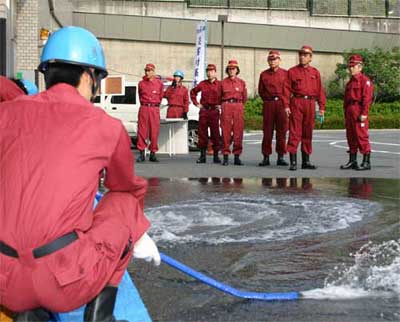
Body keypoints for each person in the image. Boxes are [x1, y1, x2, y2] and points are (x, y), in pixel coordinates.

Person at [0, 26, 160, 322]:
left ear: (46, 74)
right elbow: (126, 189)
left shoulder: (6, 113)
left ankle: (28, 312)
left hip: (4, 284)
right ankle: (101, 315)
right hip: (62, 283)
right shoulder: (105, 126)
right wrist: (136, 235)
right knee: (124, 203)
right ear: (89, 75)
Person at [286, 45, 326, 171]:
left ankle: (306, 161)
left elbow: (320, 91)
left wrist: (321, 107)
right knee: (295, 132)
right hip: (297, 102)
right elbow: (286, 90)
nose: (302, 57)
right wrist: (286, 105)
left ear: (310, 58)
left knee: (308, 133)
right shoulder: (292, 71)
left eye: (305, 55)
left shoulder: (315, 72)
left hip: (310, 103)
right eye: (301, 55)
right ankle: (293, 162)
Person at [340, 54, 374, 171]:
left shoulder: (365, 81)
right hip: (350, 111)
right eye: (350, 66)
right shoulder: (350, 82)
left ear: (360, 67)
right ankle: (352, 160)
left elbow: (367, 99)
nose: (351, 68)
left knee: (361, 136)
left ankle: (366, 162)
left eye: (353, 66)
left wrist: (364, 113)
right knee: (351, 136)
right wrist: (345, 113)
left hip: (359, 109)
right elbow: (346, 100)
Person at [258, 50, 290, 167]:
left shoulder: (286, 74)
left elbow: (289, 90)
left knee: (282, 131)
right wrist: (267, 100)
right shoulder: (263, 74)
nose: (272, 62)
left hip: (281, 104)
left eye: (275, 59)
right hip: (269, 104)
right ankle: (266, 157)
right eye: (270, 60)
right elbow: (261, 91)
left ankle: (280, 157)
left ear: (279, 60)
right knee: (267, 132)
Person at [190, 64, 222, 164]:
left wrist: (221, 105)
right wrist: (196, 103)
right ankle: (202, 156)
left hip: (214, 111)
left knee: (215, 134)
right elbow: (193, 92)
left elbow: (226, 95)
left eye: (211, 71)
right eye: (207, 71)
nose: (209, 73)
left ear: (215, 72)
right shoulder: (203, 84)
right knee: (202, 134)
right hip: (204, 111)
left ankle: (216, 156)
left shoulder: (220, 84)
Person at [220, 60, 247, 166]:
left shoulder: (241, 82)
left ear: (237, 70)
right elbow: (219, 96)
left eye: (234, 69)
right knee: (226, 131)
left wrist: (239, 105)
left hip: (238, 106)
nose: (232, 71)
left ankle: (237, 156)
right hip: (226, 105)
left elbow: (244, 97)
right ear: (227, 70)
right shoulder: (223, 83)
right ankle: (225, 156)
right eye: (230, 69)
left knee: (238, 131)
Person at [136, 63, 164, 163]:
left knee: (154, 131)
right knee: (142, 131)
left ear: (153, 71)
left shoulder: (159, 84)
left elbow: (160, 96)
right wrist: (145, 104)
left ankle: (153, 153)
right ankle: (141, 153)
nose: (147, 72)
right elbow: (140, 95)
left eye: (149, 71)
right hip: (144, 107)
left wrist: (154, 105)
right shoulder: (141, 83)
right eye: (146, 71)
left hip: (154, 109)